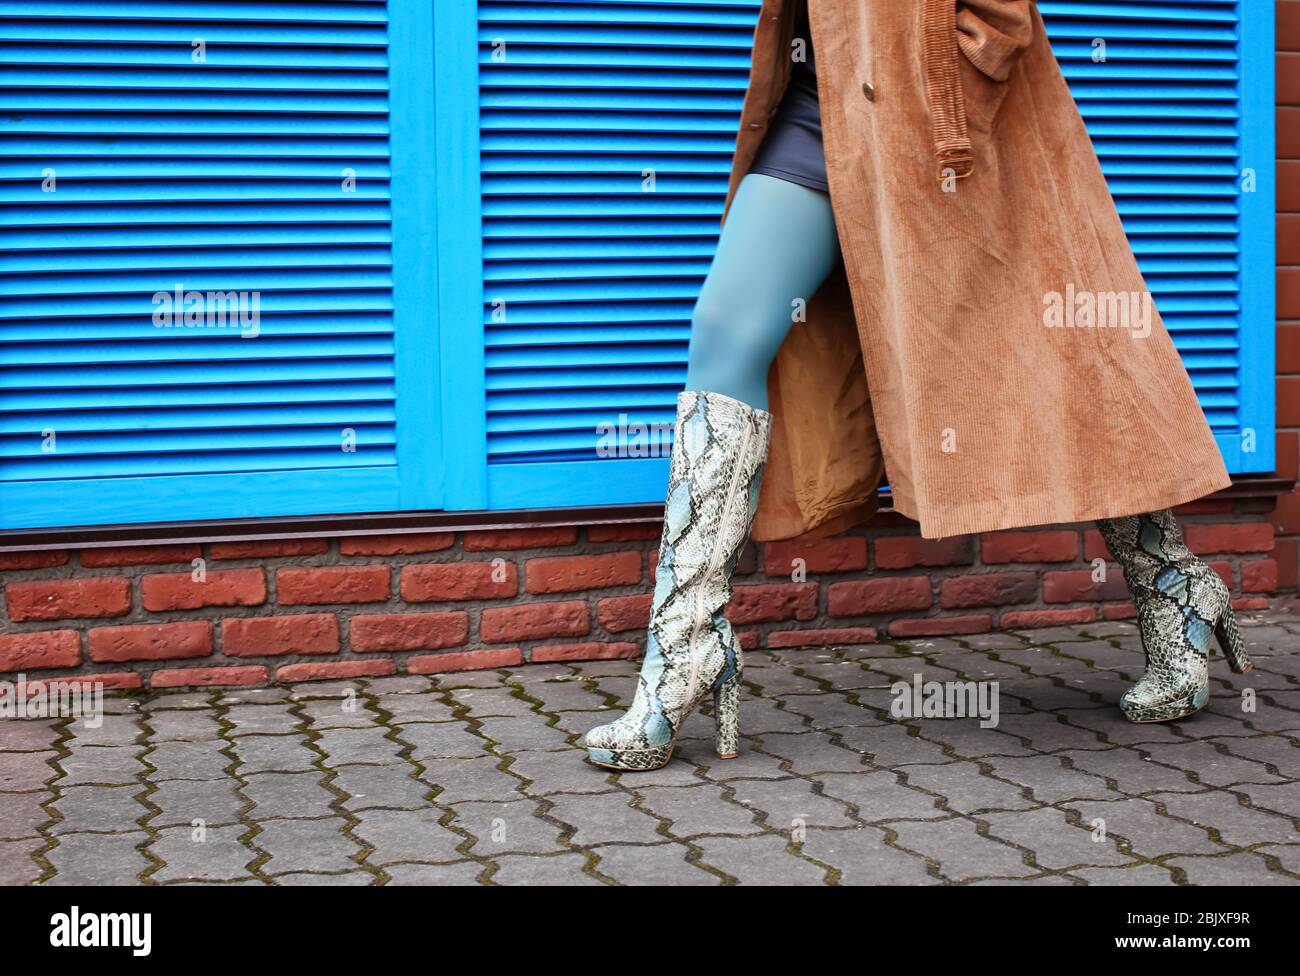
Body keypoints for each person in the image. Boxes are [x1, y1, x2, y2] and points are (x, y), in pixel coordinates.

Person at [581, 0, 1252, 771]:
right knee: (725, 328)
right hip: (821, 98)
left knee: (1061, 357)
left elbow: (1002, 16)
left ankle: (1173, 582)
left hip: (941, 120)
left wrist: (947, 83)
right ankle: (682, 653)